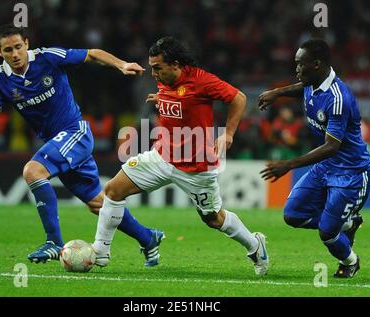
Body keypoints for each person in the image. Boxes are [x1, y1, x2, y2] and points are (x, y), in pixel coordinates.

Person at [0, 24, 164, 266]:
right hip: (57, 143)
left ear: (26, 44)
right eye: (7, 50)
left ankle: (54, 242)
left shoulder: (47, 57)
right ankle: (148, 237)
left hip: (75, 133)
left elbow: (92, 53)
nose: (14, 54)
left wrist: (121, 65)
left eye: (17, 47)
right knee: (98, 204)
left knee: (33, 171)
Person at [91, 36, 269, 276]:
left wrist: (228, 133)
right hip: (161, 157)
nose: (153, 74)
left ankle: (255, 245)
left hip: (196, 167)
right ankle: (100, 253)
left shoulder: (201, 80)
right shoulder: (166, 81)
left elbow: (239, 98)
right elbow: (178, 100)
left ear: (175, 64)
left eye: (157, 68)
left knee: (213, 219)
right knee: (112, 190)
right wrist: (161, 99)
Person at [258, 39, 370, 278]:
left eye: (301, 65)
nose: (297, 69)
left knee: (327, 233)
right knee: (293, 214)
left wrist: (289, 164)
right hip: (327, 167)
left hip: (350, 172)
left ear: (317, 65)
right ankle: (348, 223)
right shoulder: (314, 81)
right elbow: (303, 87)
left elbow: (331, 146)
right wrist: (277, 93)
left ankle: (350, 261)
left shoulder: (338, 98)